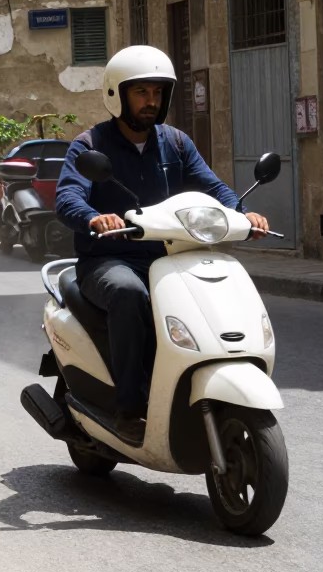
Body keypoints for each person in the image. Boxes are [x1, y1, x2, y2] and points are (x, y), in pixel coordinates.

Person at [54, 45, 268, 445]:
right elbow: (67, 198)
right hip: (109, 260)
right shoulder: (90, 145)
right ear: (118, 93)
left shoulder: (176, 143)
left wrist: (243, 212)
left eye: (157, 92)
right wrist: (92, 217)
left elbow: (212, 185)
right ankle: (130, 409)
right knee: (129, 294)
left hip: (168, 256)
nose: (151, 101)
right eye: (141, 92)